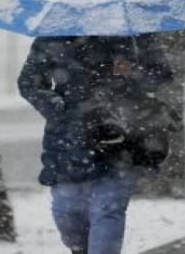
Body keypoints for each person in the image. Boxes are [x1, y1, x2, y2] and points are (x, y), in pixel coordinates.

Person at [18, 34, 176, 254]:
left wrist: (133, 70)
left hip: (124, 138)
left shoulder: (135, 34)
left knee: (107, 208)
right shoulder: (55, 34)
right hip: (70, 140)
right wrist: (59, 109)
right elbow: (29, 82)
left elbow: (162, 76)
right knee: (67, 209)